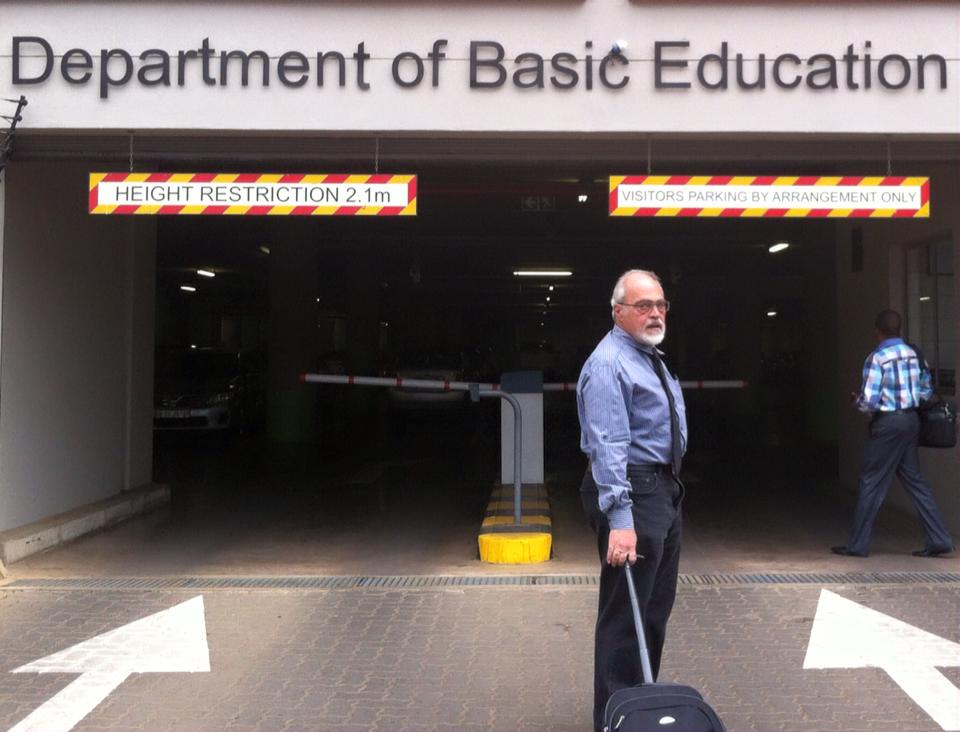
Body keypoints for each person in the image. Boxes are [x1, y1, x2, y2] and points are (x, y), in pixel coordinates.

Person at [576, 269, 687, 732]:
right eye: (643, 306)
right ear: (618, 312)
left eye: (660, 304)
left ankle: (637, 709)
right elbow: (608, 445)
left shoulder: (647, 356)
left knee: (653, 609)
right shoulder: (610, 364)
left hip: (661, 488)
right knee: (628, 615)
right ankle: (613, 719)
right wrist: (621, 520)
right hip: (633, 492)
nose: (655, 313)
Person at [832, 309, 954, 558]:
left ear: (877, 331)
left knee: (871, 482)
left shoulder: (877, 358)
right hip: (911, 421)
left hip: (887, 425)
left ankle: (857, 545)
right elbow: (925, 391)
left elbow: (869, 401)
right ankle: (940, 539)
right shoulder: (914, 354)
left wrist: (856, 401)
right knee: (915, 481)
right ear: (899, 330)